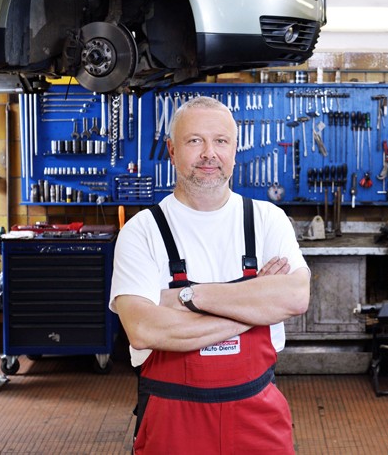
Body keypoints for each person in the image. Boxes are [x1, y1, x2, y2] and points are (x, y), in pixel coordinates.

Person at [109, 95, 310, 454]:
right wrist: (254, 307)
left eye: (220, 141)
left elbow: (295, 297)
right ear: (171, 150)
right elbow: (143, 330)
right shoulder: (142, 230)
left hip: (257, 417)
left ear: (234, 150)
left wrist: (189, 297)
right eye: (194, 141)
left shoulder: (267, 219)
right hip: (173, 421)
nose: (209, 154)